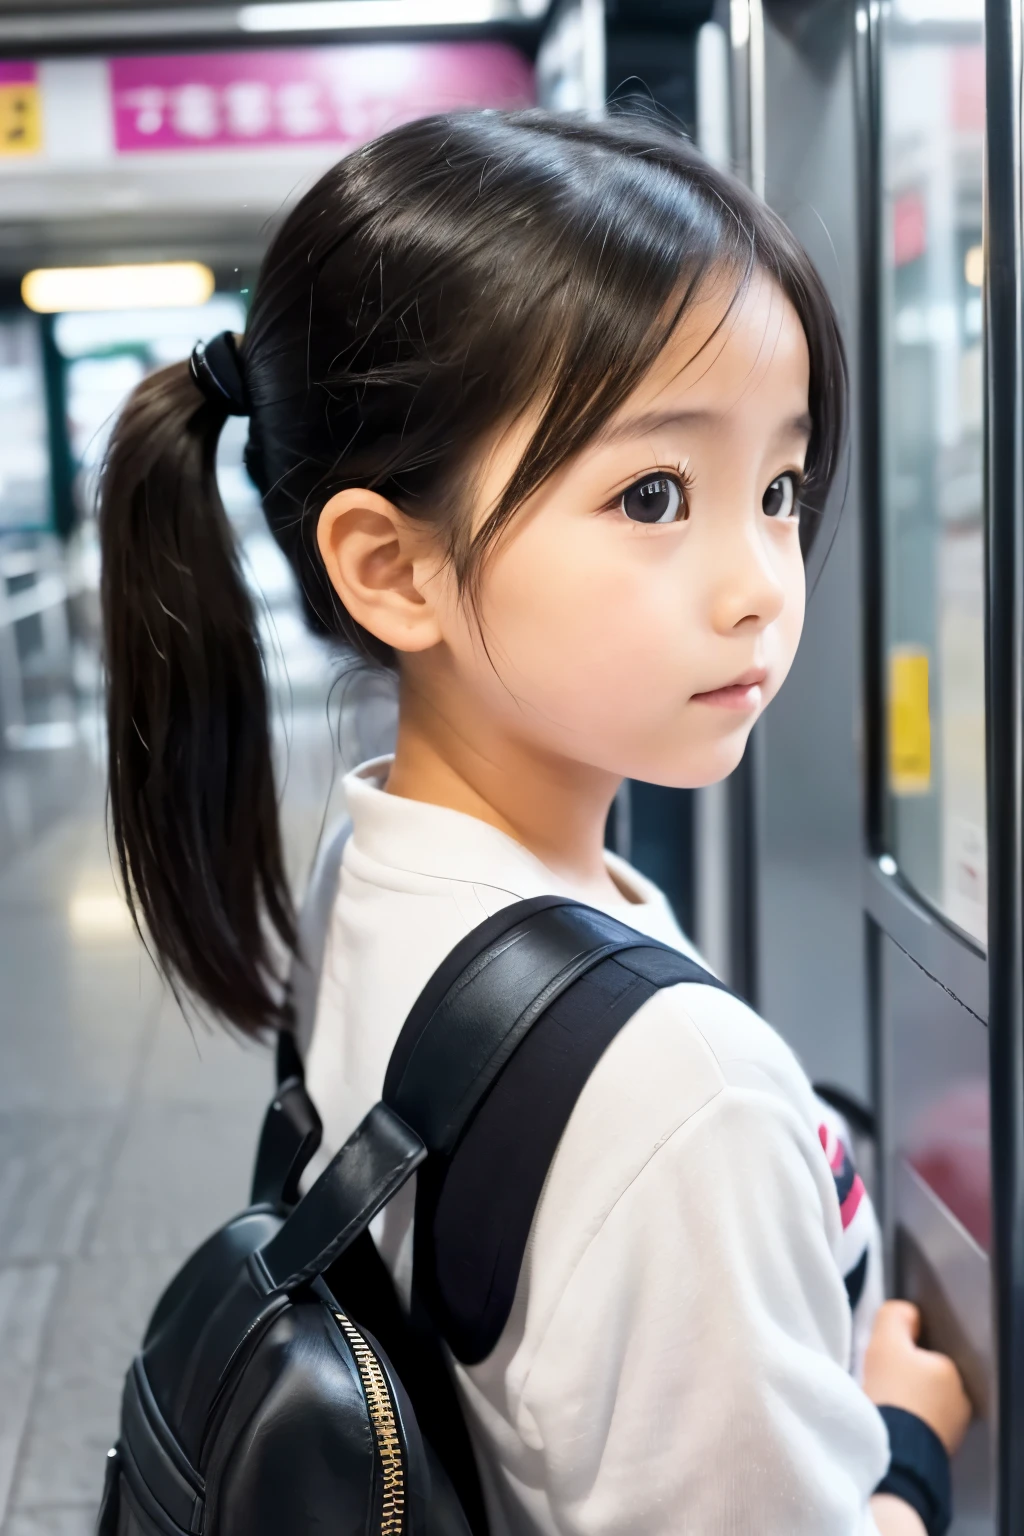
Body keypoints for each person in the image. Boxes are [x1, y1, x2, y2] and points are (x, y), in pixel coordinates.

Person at [98, 110, 970, 1534]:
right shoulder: (680, 1096)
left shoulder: (380, 870)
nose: (762, 580)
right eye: (653, 495)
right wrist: (909, 1449)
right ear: (394, 570)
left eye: (778, 488)